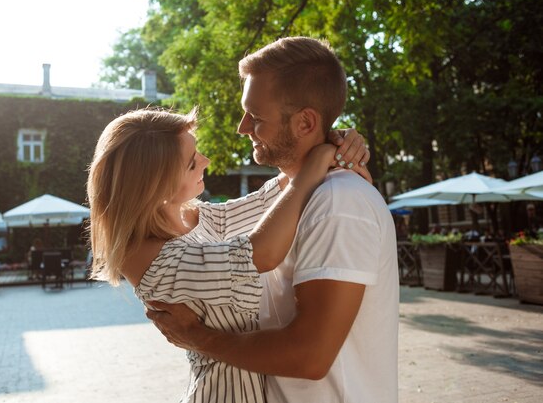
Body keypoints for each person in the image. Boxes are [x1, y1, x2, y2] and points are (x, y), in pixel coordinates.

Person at [146, 36, 399, 403]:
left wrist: (200, 339)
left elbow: (309, 356)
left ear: (305, 122)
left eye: (257, 116)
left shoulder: (338, 203)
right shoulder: (293, 198)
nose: (242, 127)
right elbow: (209, 221)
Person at [86, 107, 369, 403]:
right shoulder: (147, 258)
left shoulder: (196, 218)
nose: (206, 161)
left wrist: (338, 143)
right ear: (158, 184)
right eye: (192, 163)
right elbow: (261, 254)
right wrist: (319, 160)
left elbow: (266, 200)